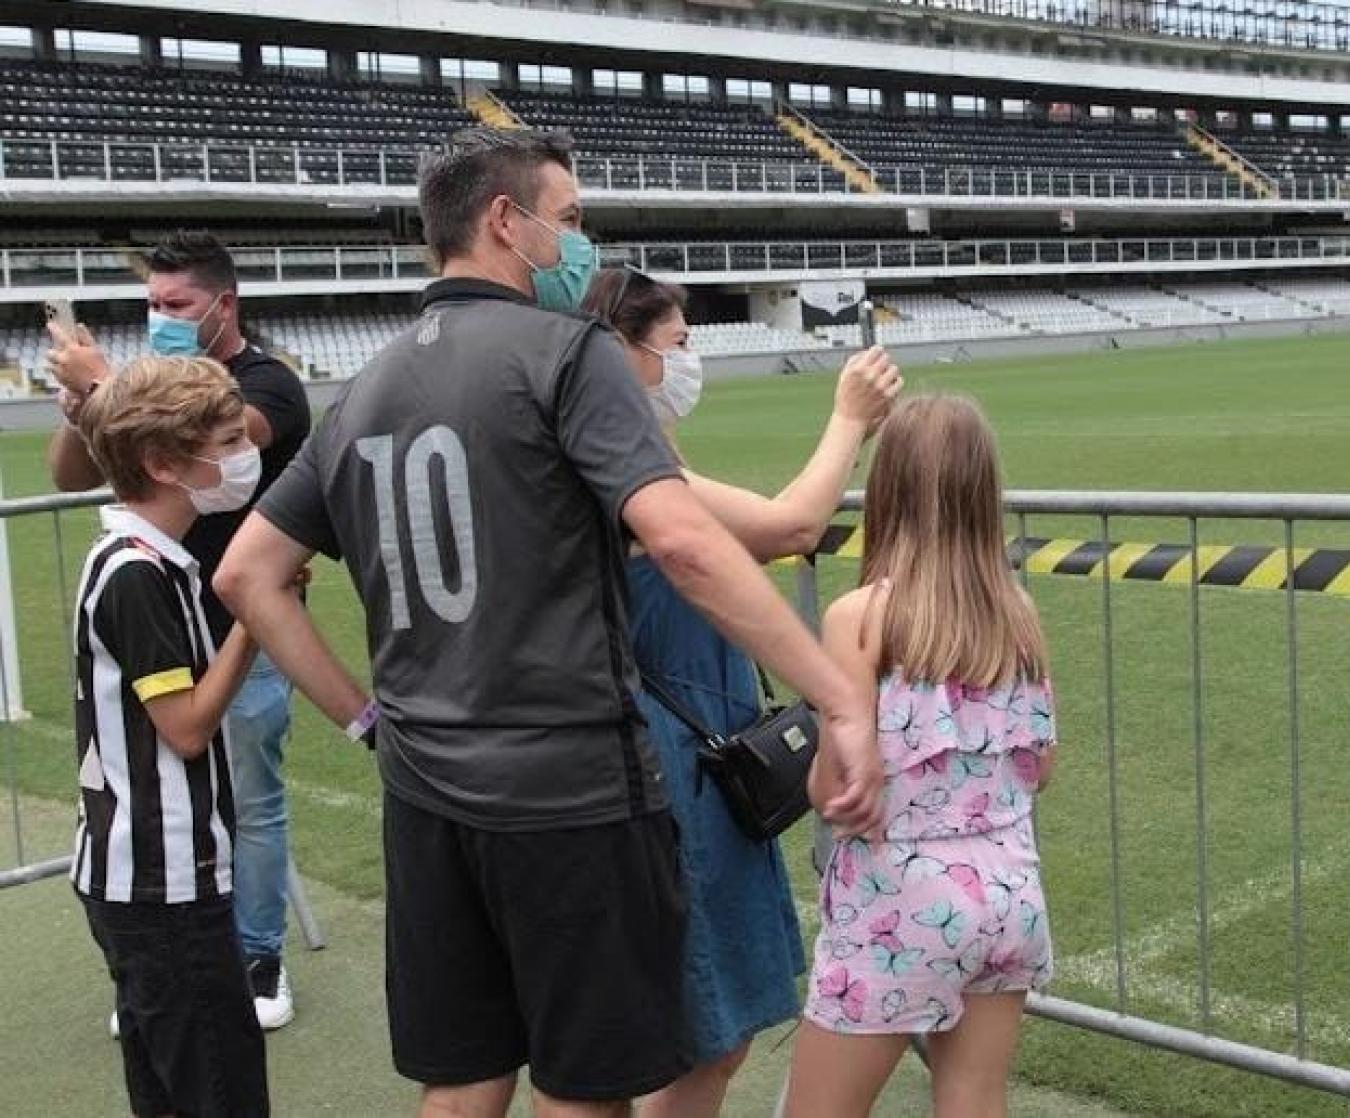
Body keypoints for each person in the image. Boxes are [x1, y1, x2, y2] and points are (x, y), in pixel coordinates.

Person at [213, 127, 883, 1118]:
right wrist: (836, 697)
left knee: (465, 1075)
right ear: (503, 222)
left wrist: (365, 719)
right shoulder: (564, 353)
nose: (577, 242)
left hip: (427, 790)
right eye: (567, 219)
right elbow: (691, 546)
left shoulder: (361, 391)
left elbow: (245, 574)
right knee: (585, 1084)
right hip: (568, 789)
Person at [580, 266, 901, 1118]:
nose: (689, 364)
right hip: (676, 776)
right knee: (705, 1030)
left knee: (694, 1028)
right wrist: (850, 419)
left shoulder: (631, 462)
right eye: (678, 345)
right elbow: (790, 525)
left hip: (683, 764)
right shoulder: (627, 478)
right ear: (624, 352)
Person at [45, 231, 310, 1031]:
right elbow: (72, 473)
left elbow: (212, 434)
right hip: (157, 623)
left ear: (221, 305)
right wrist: (83, 408)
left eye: (176, 305)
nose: (159, 316)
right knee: (157, 798)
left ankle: (257, 957)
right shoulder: (127, 560)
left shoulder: (269, 385)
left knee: (250, 805)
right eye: (151, 304)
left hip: (236, 625)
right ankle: (168, 959)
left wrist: (108, 391)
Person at [784, 395, 1058, 1118]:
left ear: (887, 490)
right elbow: (1042, 766)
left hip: (898, 900)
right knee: (973, 1097)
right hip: (1009, 892)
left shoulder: (859, 617)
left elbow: (834, 784)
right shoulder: (1018, 615)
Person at [70, 355, 269, 1118]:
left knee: (171, 1092)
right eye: (224, 441)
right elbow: (184, 728)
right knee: (220, 1089)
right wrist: (255, 619)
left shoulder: (151, 563)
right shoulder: (134, 573)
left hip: (148, 879)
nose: (240, 456)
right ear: (161, 462)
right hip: (162, 882)